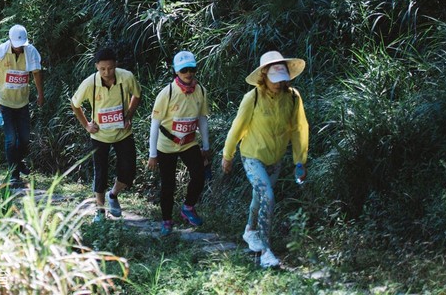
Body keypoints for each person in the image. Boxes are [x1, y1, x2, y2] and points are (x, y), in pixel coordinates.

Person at [222, 51, 309, 269]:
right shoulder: (253, 97)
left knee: (259, 197)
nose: (278, 84)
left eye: (282, 80)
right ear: (264, 76)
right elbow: (237, 128)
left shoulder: (293, 97)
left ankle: (250, 230)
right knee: (268, 196)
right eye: (274, 79)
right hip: (252, 156)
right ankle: (266, 251)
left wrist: (300, 161)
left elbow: (300, 129)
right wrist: (227, 155)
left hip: (276, 158)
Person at [70, 47, 141, 223]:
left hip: (123, 133)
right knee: (100, 173)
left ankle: (113, 194)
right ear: (96, 67)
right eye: (102, 69)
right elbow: (74, 103)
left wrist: (129, 115)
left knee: (129, 170)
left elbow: (137, 95)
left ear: (116, 65)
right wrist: (86, 125)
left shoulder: (126, 77)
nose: (106, 72)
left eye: (110, 68)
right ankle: (100, 211)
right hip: (100, 136)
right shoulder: (90, 83)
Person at [147, 50, 210, 236]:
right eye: (184, 70)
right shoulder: (166, 93)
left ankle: (188, 207)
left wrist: (206, 146)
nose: (188, 73)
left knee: (199, 175)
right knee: (168, 184)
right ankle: (166, 220)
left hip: (189, 142)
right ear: (176, 72)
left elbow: (202, 119)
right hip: (166, 144)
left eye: (191, 69)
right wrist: (152, 154)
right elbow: (155, 124)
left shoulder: (201, 91)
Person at [0, 24, 44, 187]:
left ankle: (18, 162)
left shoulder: (31, 51)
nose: (20, 49)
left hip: (22, 102)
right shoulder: (0, 53)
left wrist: (41, 94)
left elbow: (36, 74)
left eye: (22, 46)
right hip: (5, 102)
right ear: (10, 41)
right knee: (11, 138)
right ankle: (14, 174)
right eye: (17, 46)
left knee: (25, 137)